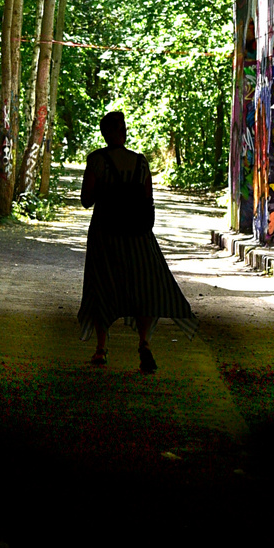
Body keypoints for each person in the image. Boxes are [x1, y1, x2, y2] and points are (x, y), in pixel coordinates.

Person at [77, 110, 197, 373]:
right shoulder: (140, 162)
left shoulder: (96, 160)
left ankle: (101, 348)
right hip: (137, 236)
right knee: (145, 288)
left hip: (104, 234)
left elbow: (86, 200)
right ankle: (144, 342)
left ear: (104, 133)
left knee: (102, 287)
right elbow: (148, 201)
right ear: (123, 131)